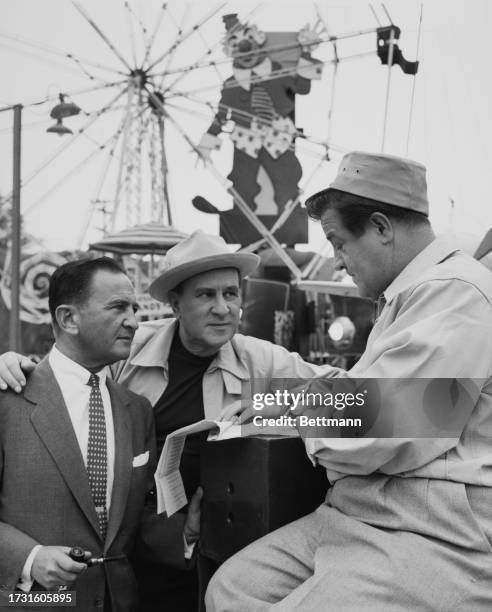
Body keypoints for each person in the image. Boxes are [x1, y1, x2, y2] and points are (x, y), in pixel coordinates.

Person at [205, 151, 492, 611]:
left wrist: (288, 410)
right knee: (231, 588)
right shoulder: (412, 297)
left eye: (338, 242)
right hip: (364, 511)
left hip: (434, 530)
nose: (338, 261)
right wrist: (276, 399)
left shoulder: (457, 294)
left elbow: (393, 418)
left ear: (380, 227)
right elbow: (355, 388)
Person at [0, 231, 332, 611]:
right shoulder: (129, 351)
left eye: (232, 293)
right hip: (130, 563)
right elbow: (66, 378)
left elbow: (380, 403)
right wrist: (15, 365)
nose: (224, 309)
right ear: (175, 303)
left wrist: (282, 401)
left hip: (225, 552)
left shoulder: (263, 362)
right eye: (206, 295)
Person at [0, 258, 198, 612]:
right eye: (118, 307)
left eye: (134, 308)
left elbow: (137, 518)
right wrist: (29, 558)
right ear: (68, 319)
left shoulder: (137, 411)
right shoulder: (8, 398)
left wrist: (186, 532)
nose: (134, 321)